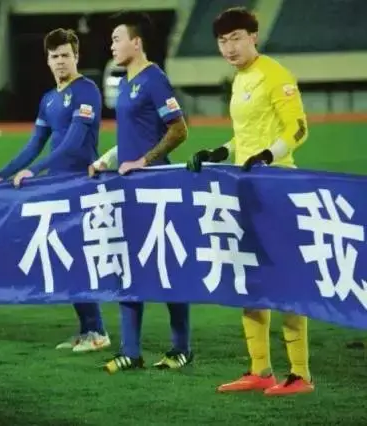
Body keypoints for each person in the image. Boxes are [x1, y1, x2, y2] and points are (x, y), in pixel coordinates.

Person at [186, 7, 313, 396]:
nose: (229, 47)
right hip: (246, 189)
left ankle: (300, 374)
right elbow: (245, 135)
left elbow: (298, 129)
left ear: (254, 36)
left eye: (236, 38)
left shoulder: (275, 74)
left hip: (277, 187)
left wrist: (268, 157)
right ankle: (260, 370)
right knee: (250, 279)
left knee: (286, 279)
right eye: (222, 41)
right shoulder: (240, 79)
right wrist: (221, 152)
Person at [0, 28, 110, 353]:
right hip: (57, 186)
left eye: (66, 55)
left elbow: (74, 142)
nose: (60, 61)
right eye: (55, 56)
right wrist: (1, 174)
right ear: (47, 60)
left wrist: (36, 170)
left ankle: (98, 331)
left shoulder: (86, 90)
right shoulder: (49, 99)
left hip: (80, 183)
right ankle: (87, 329)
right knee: (65, 257)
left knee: (77, 257)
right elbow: (34, 144)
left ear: (76, 57)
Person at [89, 11, 191, 374]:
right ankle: (130, 352)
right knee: (128, 269)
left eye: (117, 39)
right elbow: (133, 138)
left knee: (165, 268)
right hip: (130, 190)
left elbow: (179, 130)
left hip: (156, 189)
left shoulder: (154, 79)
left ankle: (181, 348)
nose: (112, 45)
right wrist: (106, 160)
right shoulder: (126, 83)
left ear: (137, 42)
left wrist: (144, 161)